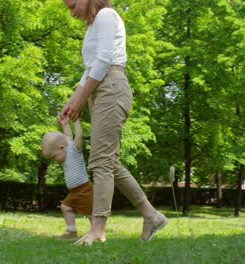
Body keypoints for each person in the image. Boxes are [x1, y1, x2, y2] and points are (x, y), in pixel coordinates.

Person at [59, 0, 168, 245]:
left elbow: (105, 59)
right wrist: (72, 101)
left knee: (100, 162)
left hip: (111, 87)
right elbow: (89, 69)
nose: (72, 12)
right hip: (99, 90)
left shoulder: (107, 15)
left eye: (73, 5)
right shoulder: (93, 27)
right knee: (110, 163)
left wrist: (81, 97)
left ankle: (97, 231)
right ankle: (152, 216)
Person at [41, 117, 98, 240]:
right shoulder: (66, 148)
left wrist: (77, 122)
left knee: (90, 214)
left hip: (84, 190)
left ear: (62, 148)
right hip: (74, 191)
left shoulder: (74, 150)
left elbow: (78, 136)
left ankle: (98, 232)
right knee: (65, 207)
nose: (54, 161)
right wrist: (64, 124)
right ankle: (71, 231)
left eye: (53, 157)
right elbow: (68, 136)